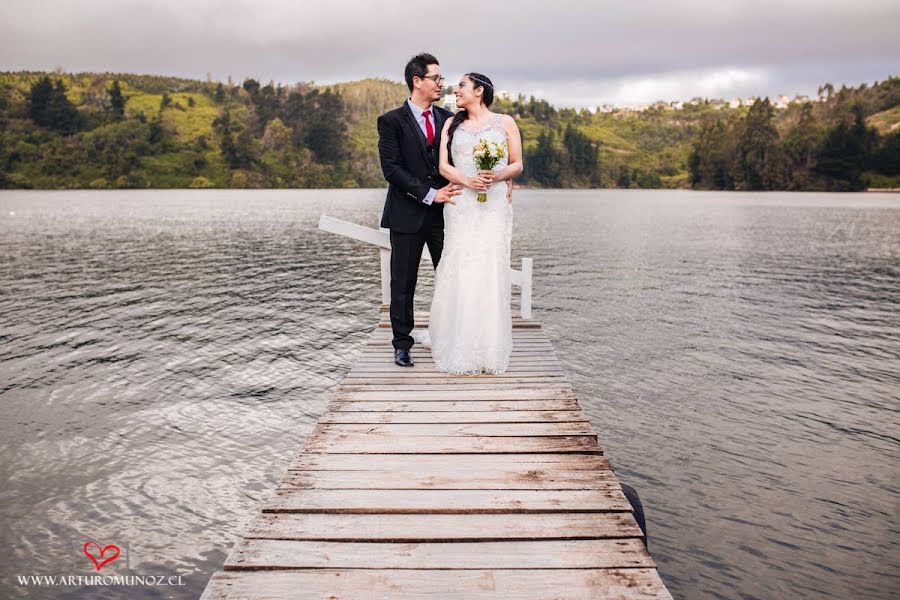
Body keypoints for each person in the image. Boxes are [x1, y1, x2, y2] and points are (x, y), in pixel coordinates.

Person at [413, 73, 523, 374]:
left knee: (489, 265)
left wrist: (497, 176)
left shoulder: (505, 122)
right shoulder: (452, 123)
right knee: (459, 264)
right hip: (462, 202)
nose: (455, 90)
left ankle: (488, 344)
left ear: (479, 90)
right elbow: (443, 166)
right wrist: (469, 180)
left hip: (494, 204)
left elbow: (517, 163)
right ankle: (455, 338)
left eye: (461, 85)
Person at [377, 53, 461, 367]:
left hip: (445, 216)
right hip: (406, 213)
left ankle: (454, 335)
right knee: (403, 282)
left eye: (440, 78)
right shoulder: (390, 121)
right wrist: (429, 194)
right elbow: (392, 170)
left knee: (451, 276)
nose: (441, 83)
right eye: (435, 78)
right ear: (417, 81)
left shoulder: (448, 119)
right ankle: (402, 344)